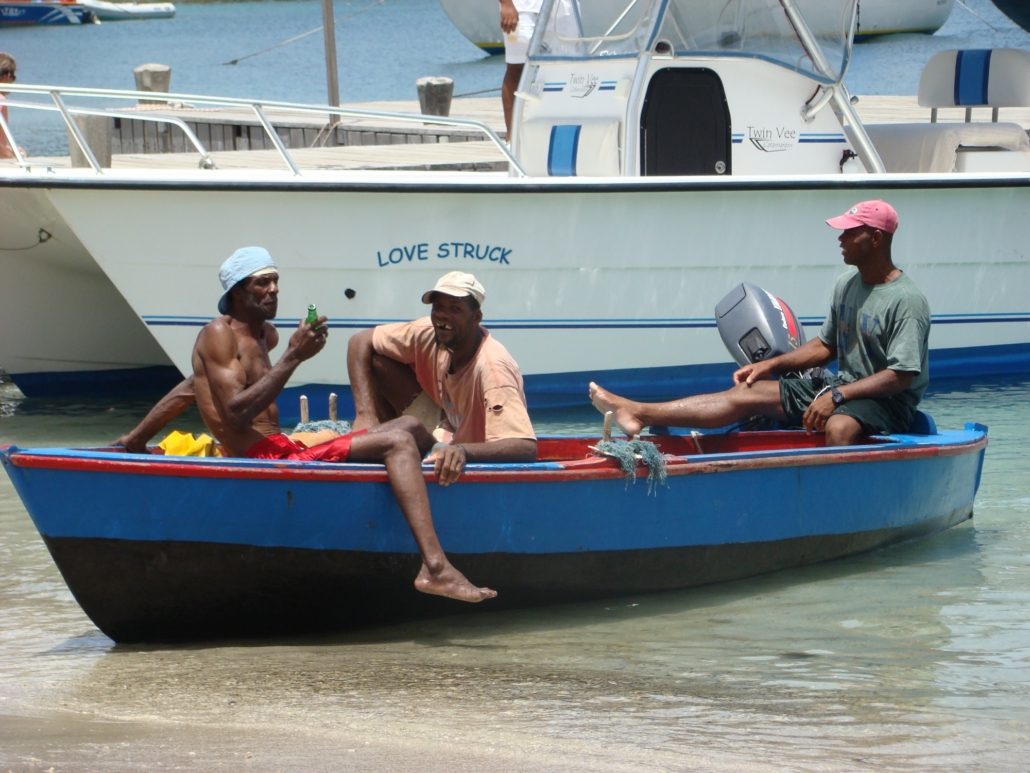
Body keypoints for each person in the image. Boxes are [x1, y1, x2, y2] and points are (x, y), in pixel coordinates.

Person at [114, 247, 496, 603]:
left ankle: (439, 472)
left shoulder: (265, 334)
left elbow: (189, 387)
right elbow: (234, 413)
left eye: (275, 280)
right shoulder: (218, 333)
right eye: (261, 282)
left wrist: (136, 439)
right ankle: (435, 567)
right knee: (397, 441)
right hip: (264, 459)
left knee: (412, 425)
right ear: (236, 291)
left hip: (285, 449)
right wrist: (294, 357)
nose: (274, 289)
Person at [589, 200, 931, 447]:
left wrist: (838, 396)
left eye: (849, 233)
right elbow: (825, 346)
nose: (840, 239)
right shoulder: (847, 284)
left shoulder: (906, 300)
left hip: (889, 403)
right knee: (747, 393)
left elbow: (901, 376)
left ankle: (832, 512)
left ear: (875, 239)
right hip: (842, 387)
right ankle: (638, 413)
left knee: (839, 427)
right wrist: (768, 365)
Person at [347, 270, 537, 484]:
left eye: (455, 309)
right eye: (438, 307)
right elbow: (359, 342)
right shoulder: (428, 331)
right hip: (443, 425)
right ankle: (382, 446)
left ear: (476, 317)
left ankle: (393, 448)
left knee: (411, 427)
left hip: (471, 448)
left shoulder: (493, 370)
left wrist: (463, 451)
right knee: (377, 360)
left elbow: (525, 446)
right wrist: (365, 415)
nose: (442, 315)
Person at [0, 53, 26, 161]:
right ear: (8, 76)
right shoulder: (1, 100)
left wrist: (11, 149)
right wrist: (13, 156)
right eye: (13, 78)